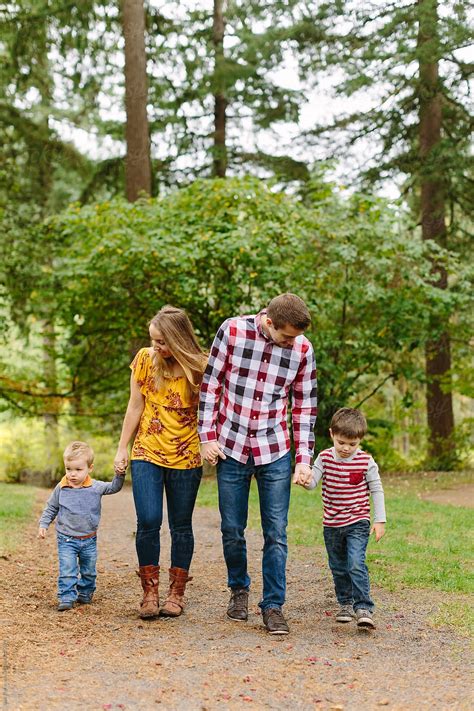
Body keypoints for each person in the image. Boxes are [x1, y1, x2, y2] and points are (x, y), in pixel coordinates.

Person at [199, 293, 317, 635]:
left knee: (276, 533)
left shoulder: (302, 349)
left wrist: (303, 459)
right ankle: (238, 589)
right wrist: (207, 435)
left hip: (274, 447)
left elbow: (305, 405)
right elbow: (211, 384)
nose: (293, 342)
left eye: (296, 336)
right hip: (231, 445)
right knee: (232, 529)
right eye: (287, 335)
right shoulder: (232, 331)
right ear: (268, 322)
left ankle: (273, 605)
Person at [114, 305, 207, 620]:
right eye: (154, 340)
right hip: (147, 451)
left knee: (181, 525)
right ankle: (149, 592)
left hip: (187, 455)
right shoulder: (143, 360)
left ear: (178, 340)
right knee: (149, 519)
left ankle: (176, 593)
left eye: (162, 342)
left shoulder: (201, 368)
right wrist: (122, 448)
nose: (157, 347)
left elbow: (213, 412)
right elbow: (134, 406)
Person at [294, 407, 386, 629]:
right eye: (342, 442)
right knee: (338, 566)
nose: (346, 448)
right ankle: (345, 603)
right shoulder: (324, 458)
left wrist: (379, 519)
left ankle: (363, 607)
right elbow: (314, 483)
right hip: (332, 524)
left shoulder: (366, 461)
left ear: (360, 440)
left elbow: (376, 489)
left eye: (352, 444)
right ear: (332, 434)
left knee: (355, 563)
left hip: (358, 521)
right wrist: (305, 480)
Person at [38, 440, 125, 611]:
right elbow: (51, 507)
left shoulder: (96, 487)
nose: (72, 474)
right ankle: (66, 597)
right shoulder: (61, 488)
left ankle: (85, 593)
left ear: (89, 468)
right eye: (68, 469)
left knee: (89, 571)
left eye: (78, 470)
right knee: (67, 570)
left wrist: (119, 474)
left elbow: (114, 487)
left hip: (89, 539)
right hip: (66, 539)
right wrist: (43, 524)